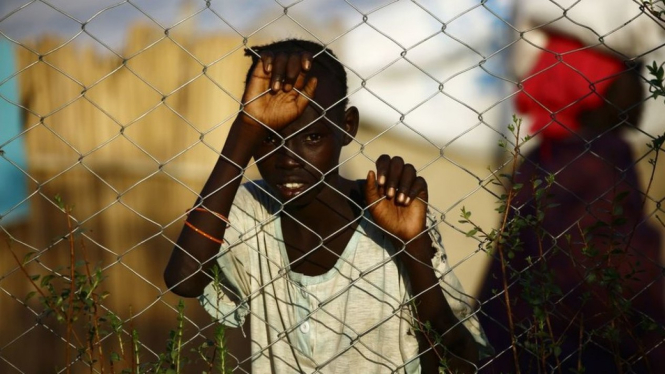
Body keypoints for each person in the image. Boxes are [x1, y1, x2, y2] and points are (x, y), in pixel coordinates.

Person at [164, 39, 491, 373]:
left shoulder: (392, 214)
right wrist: (245, 130)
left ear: (347, 126)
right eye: (267, 136)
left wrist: (411, 247)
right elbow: (184, 280)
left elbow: (461, 359)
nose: (288, 159)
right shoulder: (251, 210)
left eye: (313, 137)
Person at [478, 31, 665, 373]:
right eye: (628, 73)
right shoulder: (602, 159)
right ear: (587, 83)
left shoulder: (543, 157)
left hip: (518, 346)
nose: (640, 91)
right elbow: (622, 274)